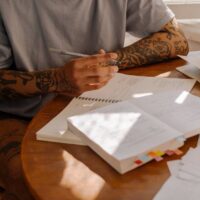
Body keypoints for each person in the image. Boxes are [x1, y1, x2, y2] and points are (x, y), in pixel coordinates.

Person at [0, 0, 189, 199]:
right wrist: (56, 80)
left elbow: (176, 37)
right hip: (21, 115)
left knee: (149, 176)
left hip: (99, 108)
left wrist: (110, 61)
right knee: (35, 185)